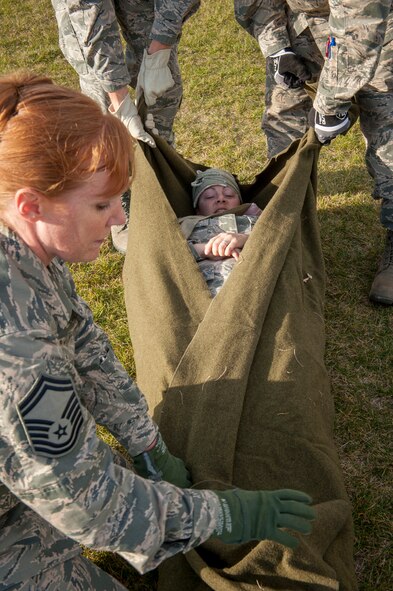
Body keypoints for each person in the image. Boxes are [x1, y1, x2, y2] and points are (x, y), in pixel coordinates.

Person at [0, 71, 316, 590]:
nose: (119, 218)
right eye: (101, 204)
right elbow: (89, 505)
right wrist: (222, 514)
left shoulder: (26, 244)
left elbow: (85, 345)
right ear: (32, 204)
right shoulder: (16, 351)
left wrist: (149, 446)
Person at [234, 0, 393, 305]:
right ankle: (283, 227)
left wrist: (329, 106)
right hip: (304, 27)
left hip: (379, 30)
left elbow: (362, 21)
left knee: (388, 134)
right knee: (283, 122)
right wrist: (277, 48)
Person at [51, 0, 201, 254]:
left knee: (164, 90)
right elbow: (87, 16)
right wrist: (118, 100)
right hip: (87, 11)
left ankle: (161, 183)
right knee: (101, 103)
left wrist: (159, 49)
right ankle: (115, 200)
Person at [181, 168, 262, 296]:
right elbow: (164, 258)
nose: (220, 199)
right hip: (206, 300)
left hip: (257, 288)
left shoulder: (259, 220)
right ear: (197, 209)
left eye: (229, 194)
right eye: (209, 196)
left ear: (240, 202)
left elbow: (280, 240)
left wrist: (244, 239)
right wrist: (204, 250)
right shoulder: (185, 226)